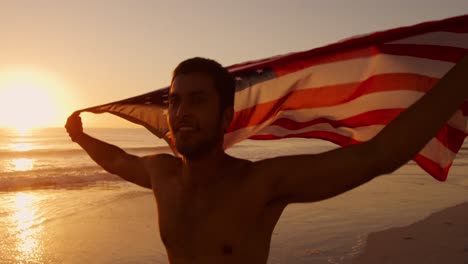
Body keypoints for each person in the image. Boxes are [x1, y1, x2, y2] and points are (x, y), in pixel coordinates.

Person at [65, 56, 468, 264]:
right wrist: (81, 137)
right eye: (174, 101)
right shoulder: (161, 173)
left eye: (198, 100)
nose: (181, 112)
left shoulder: (260, 184)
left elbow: (378, 156)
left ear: (226, 118)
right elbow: (117, 160)